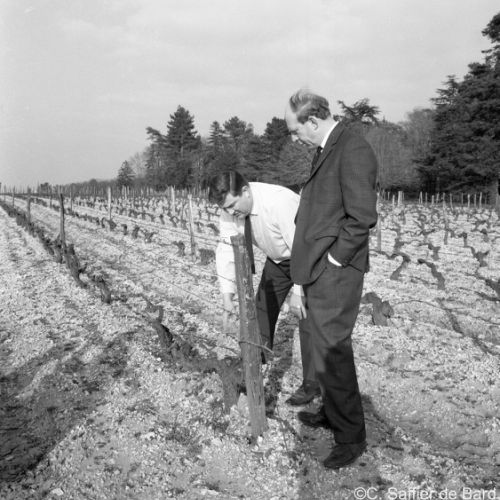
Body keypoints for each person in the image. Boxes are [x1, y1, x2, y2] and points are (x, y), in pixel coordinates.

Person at [284, 89, 378, 469]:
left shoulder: (352, 148)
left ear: (312, 120)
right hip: (321, 269)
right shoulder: (326, 148)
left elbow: (361, 217)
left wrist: (335, 261)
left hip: (336, 273)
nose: (294, 138)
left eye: (295, 130)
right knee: (324, 349)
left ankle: (351, 437)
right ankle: (332, 412)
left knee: (334, 351)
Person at [208, 171, 319, 405]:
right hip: (278, 260)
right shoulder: (231, 209)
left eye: (233, 206)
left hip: (307, 255)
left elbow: (302, 246)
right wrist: (227, 297)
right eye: (226, 209)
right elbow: (227, 248)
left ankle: (312, 384)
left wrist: (298, 291)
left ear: (245, 191)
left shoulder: (279, 202)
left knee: (307, 317)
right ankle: (254, 368)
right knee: (262, 310)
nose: (231, 213)